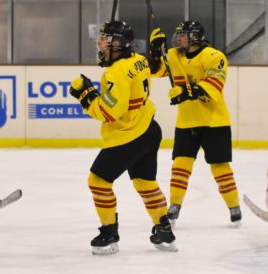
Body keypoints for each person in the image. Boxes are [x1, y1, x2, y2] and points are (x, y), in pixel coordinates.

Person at [69, 20, 176, 255]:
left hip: (128, 136)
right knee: (145, 183)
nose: (101, 44)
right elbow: (158, 69)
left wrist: (85, 95)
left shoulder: (115, 73)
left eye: (105, 40)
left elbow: (109, 112)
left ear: (117, 44)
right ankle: (164, 230)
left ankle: (109, 234)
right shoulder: (138, 59)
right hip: (149, 129)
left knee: (98, 181)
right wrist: (156, 52)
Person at [149, 21, 241, 225]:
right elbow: (155, 71)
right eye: (179, 34)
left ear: (196, 37)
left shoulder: (215, 57)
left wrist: (184, 92)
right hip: (186, 122)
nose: (179, 38)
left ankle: (234, 206)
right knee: (180, 165)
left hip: (214, 122)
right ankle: (174, 205)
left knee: (220, 167)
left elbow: (213, 86)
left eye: (184, 34)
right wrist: (155, 52)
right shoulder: (174, 55)